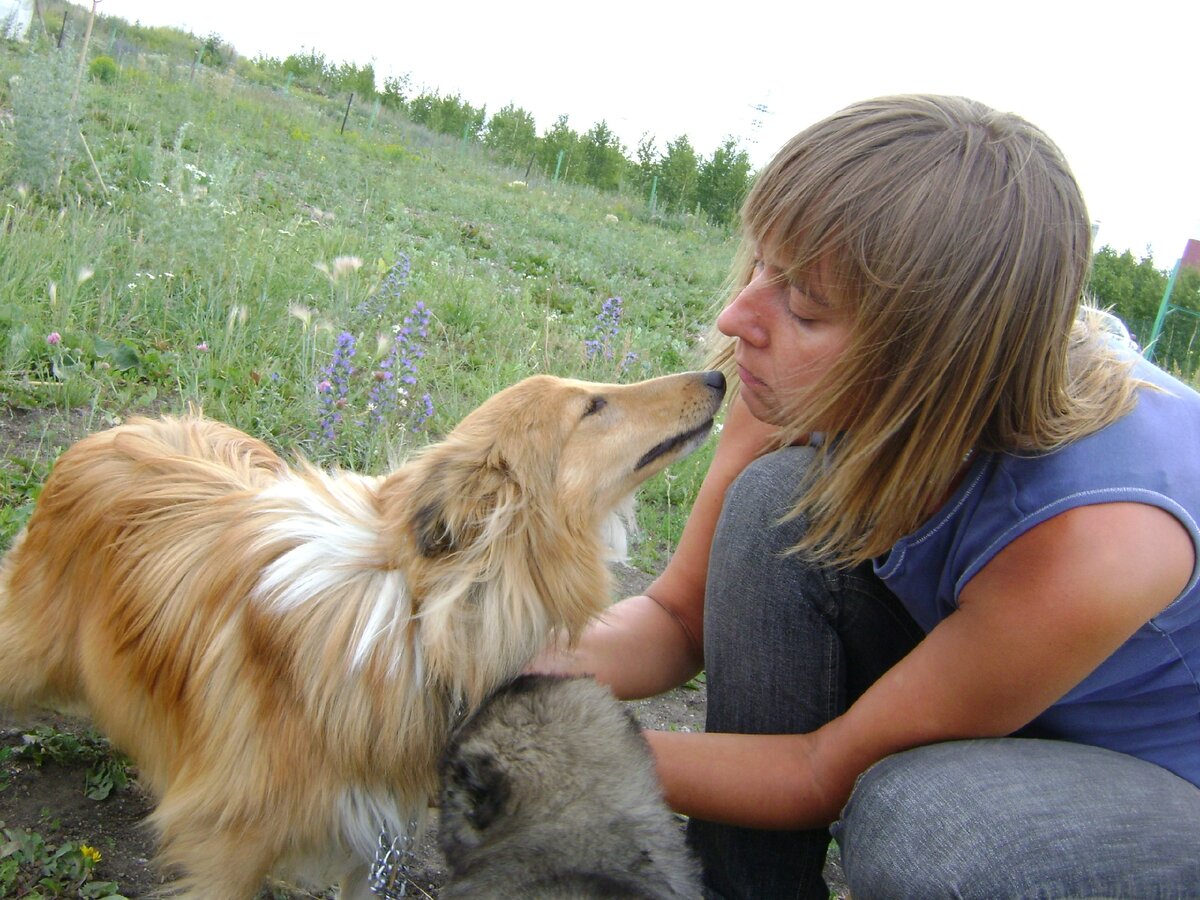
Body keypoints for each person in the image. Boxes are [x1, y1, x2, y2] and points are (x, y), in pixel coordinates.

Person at [534, 94, 1200, 898]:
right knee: (774, 499)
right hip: (991, 682)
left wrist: (538, 748)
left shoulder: (1102, 536)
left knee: (931, 829)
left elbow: (822, 769)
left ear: (932, 361)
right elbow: (678, 619)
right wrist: (479, 669)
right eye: (761, 269)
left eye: (805, 305)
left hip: (1160, 785)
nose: (737, 316)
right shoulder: (790, 380)